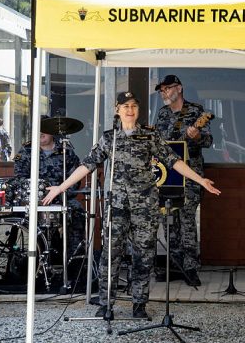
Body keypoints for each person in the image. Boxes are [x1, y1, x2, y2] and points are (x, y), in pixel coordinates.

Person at [42, 91, 221, 320]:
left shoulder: (150, 137)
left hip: (145, 207)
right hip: (116, 206)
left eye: (134, 105)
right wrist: (61, 187)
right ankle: (106, 304)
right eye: (125, 106)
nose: (130, 110)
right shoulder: (110, 139)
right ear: (117, 109)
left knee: (143, 256)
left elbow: (173, 161)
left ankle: (139, 304)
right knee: (111, 255)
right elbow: (87, 165)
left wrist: (200, 179)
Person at [153, 74, 213, 286]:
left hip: (190, 175)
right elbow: (156, 142)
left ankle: (190, 268)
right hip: (167, 176)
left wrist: (196, 136)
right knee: (168, 220)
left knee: (187, 220)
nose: (164, 93)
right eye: (162, 90)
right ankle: (176, 265)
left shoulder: (196, 112)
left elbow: (209, 141)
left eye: (167, 89)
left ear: (179, 88)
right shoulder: (161, 114)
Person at [10, 116, 84, 261]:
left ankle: (73, 261)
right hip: (34, 201)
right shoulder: (26, 151)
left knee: (78, 211)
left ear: (53, 131)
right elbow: (19, 178)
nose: (41, 133)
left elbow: (75, 179)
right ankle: (35, 261)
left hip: (62, 198)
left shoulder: (66, 151)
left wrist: (61, 192)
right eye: (37, 129)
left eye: (45, 129)